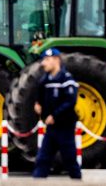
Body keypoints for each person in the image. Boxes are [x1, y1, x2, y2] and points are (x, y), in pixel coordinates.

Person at [33, 48, 81, 179]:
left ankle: (77, 180)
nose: (43, 63)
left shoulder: (66, 79)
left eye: (47, 60)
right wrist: (38, 103)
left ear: (56, 60)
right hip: (52, 127)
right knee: (42, 158)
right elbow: (40, 92)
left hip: (65, 126)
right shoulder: (45, 79)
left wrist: (55, 115)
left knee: (69, 159)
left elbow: (70, 101)